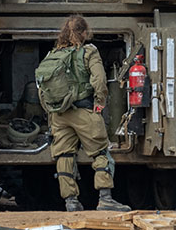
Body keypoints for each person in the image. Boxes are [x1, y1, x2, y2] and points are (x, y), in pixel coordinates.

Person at [43, 15, 131, 212]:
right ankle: (105, 199)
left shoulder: (53, 54)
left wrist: (51, 110)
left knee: (64, 156)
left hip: (59, 114)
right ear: (83, 33)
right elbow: (99, 80)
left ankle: (71, 202)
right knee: (101, 152)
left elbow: (43, 86)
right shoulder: (89, 52)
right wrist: (99, 103)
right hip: (84, 110)